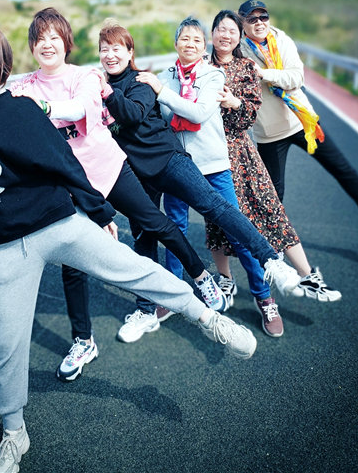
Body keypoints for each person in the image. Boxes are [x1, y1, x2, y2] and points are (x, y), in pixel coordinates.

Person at [0, 24, 258, 473]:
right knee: (7, 345)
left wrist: (99, 211)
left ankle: (209, 319)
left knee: (133, 268)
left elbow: (63, 162)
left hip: (57, 224)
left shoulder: (19, 109)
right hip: (2, 250)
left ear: (5, 66)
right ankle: (13, 433)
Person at [8, 8, 226, 374]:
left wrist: (43, 108)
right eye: (40, 39)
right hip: (72, 184)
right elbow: (3, 110)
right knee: (72, 263)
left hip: (108, 168)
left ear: (66, 44)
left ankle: (200, 276)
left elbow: (79, 108)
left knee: (154, 222)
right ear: (32, 47)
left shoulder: (85, 77)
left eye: (54, 38)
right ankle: (83, 342)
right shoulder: (24, 86)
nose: (47, 45)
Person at [98, 19, 303, 338]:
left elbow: (137, 114)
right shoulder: (158, 76)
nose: (110, 55)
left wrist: (108, 90)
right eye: (104, 49)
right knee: (147, 236)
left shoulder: (145, 81)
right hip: (137, 172)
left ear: (130, 52)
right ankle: (150, 305)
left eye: (117, 48)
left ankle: (270, 263)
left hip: (174, 161)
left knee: (217, 208)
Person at [207, 9, 341, 326]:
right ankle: (225, 279)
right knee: (218, 220)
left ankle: (306, 275)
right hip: (210, 153)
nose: (226, 35)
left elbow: (249, 116)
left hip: (242, 154)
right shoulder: (201, 67)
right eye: (221, 29)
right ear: (212, 33)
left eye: (232, 31)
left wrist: (234, 103)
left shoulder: (246, 68)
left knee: (270, 209)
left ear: (239, 37)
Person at [237, 0, 358, 237]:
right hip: (270, 132)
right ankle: (271, 246)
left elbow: (296, 78)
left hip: (303, 121)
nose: (259, 23)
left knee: (342, 168)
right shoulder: (239, 51)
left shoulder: (282, 40)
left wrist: (264, 74)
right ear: (242, 23)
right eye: (252, 19)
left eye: (263, 17)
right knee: (273, 194)